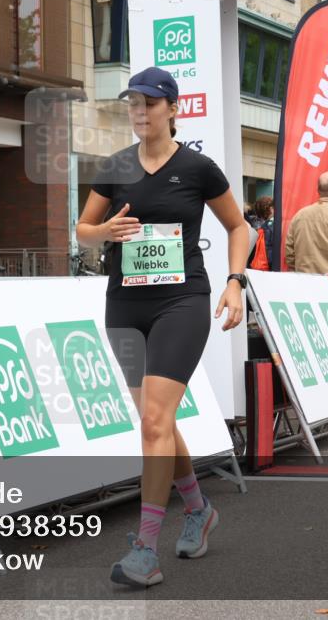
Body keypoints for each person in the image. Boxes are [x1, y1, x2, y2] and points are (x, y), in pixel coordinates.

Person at [76, 66, 249, 588]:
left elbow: (238, 226)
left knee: (153, 421)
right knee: (157, 421)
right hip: (125, 305)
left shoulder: (197, 168)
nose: (140, 111)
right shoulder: (115, 166)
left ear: (172, 109)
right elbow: (83, 231)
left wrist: (235, 281)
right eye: (133, 103)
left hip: (181, 301)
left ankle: (144, 550)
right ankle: (197, 508)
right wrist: (104, 231)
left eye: (150, 103)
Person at [247, 195, 274, 270]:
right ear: (271, 209)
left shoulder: (259, 228)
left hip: (261, 268)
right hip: (271, 268)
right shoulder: (272, 227)